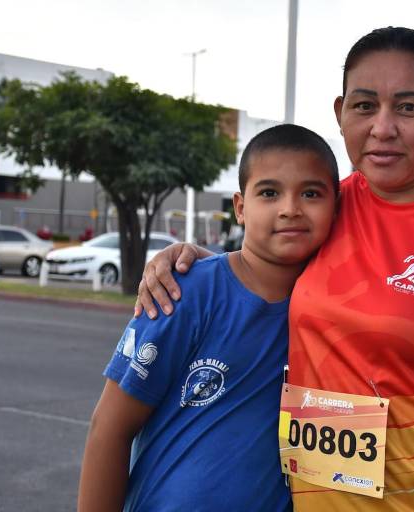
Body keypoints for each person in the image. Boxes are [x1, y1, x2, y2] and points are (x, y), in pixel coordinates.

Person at [138, 27, 414, 512]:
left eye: (409, 107)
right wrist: (187, 262)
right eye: (364, 106)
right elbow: (263, 269)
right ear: (340, 113)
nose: (383, 127)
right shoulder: (325, 207)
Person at [77, 124, 340, 512]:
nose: (290, 208)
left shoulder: (338, 310)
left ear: (337, 205)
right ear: (240, 207)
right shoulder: (185, 291)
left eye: (311, 193)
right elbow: (110, 429)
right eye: (269, 192)